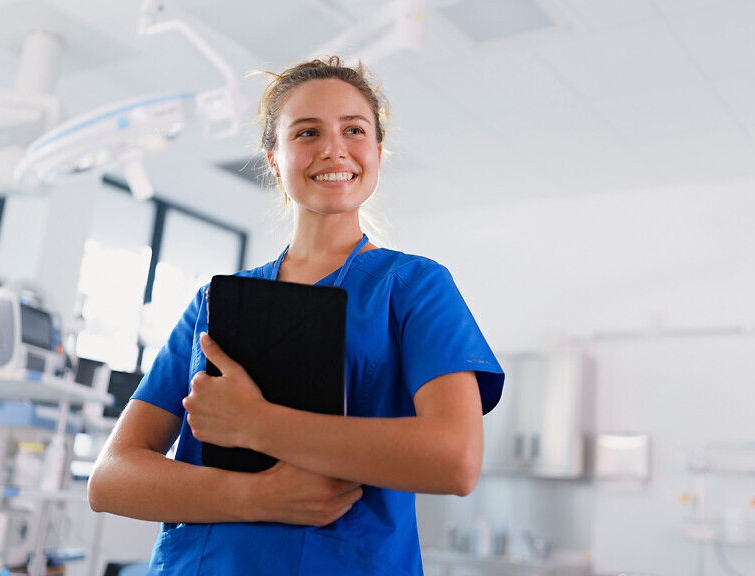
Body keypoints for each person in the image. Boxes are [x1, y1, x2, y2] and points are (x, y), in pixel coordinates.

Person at [87, 56, 504, 575]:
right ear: (274, 161)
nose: (334, 147)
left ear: (376, 152)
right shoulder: (214, 304)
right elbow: (110, 479)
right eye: (307, 132)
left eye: (354, 129)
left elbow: (455, 459)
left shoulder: (415, 288)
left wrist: (257, 424)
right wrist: (255, 496)